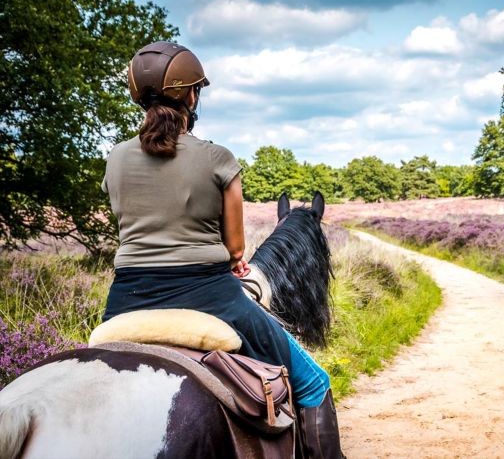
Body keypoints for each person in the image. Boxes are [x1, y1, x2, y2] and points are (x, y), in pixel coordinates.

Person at [100, 41, 343, 458]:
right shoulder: (218, 158)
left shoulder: (115, 158)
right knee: (313, 381)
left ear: (139, 96)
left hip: (125, 301)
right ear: (191, 95)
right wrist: (232, 258)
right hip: (211, 298)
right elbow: (235, 248)